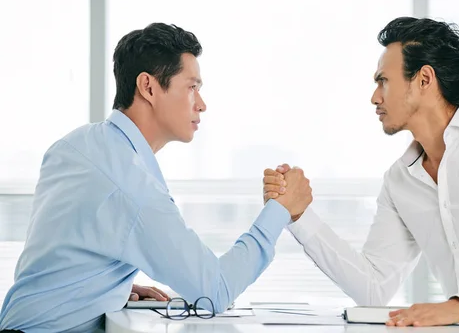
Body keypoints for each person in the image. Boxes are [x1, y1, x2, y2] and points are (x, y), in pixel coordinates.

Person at [263, 17, 459, 332]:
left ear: (424, 80)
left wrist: (458, 307)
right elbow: (373, 286)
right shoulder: (398, 181)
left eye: (383, 81)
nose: (375, 97)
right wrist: (299, 215)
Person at [0, 23, 312, 333]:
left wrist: (110, 285)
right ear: (148, 87)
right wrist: (281, 208)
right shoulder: (132, 187)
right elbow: (214, 290)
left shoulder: (75, 146)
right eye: (191, 87)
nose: (201, 104)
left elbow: (61, 250)